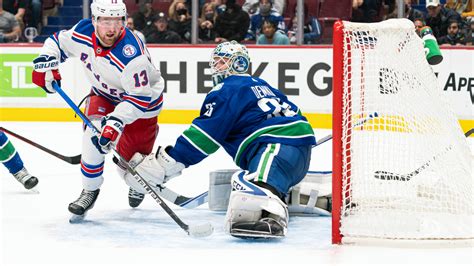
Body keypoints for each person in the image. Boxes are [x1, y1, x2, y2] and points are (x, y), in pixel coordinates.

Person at [131, 41, 316, 238]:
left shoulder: (226, 89)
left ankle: (268, 216)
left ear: (238, 64)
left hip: (274, 149)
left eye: (222, 62)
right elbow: (295, 113)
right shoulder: (263, 85)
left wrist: (165, 162)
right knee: (249, 183)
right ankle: (302, 194)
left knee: (252, 189)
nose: (215, 67)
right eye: (216, 62)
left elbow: (204, 137)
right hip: (296, 151)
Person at [31, 0, 165, 218]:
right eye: (105, 21)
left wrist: (115, 121)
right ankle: (89, 190)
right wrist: (47, 61)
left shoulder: (132, 55)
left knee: (133, 168)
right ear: (94, 20)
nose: (111, 29)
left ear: (124, 21)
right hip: (103, 95)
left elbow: (140, 97)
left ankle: (137, 184)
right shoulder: (84, 31)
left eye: (117, 21)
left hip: (141, 105)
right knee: (93, 134)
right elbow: (57, 42)